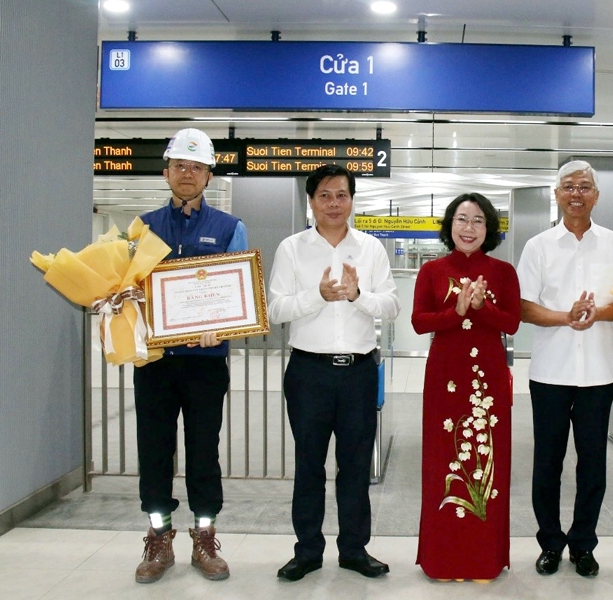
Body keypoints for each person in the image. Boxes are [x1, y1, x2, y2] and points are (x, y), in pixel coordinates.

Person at [268, 163, 400, 582]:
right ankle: (307, 551)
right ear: (311, 201)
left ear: (352, 200)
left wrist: (359, 296)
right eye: (324, 195)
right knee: (309, 464)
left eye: (341, 195)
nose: (333, 203)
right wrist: (317, 296)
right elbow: (275, 310)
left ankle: (354, 549)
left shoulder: (372, 249)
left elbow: (392, 306)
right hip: (309, 372)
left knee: (356, 466)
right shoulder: (292, 249)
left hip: (359, 373)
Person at [133, 128, 248, 584]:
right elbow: (129, 288)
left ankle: (205, 537)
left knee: (204, 450)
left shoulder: (228, 228)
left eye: (196, 167)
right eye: (180, 165)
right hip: (155, 363)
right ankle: (158, 539)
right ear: (166, 172)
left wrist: (223, 324)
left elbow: (241, 297)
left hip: (205, 363)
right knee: (154, 448)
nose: (187, 173)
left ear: (208, 175)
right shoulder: (142, 227)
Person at [516, 160, 613, 577]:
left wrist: (595, 313)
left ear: (596, 196)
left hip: (599, 374)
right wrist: (566, 317)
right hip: (549, 373)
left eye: (585, 186)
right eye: (569, 187)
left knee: (593, 464)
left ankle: (583, 544)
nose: (577, 193)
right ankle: (550, 542)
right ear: (557, 194)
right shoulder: (539, 246)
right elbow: (524, 307)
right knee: (547, 463)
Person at [412, 193, 521, 581]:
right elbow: (420, 322)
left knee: (488, 460)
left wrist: (480, 307)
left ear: (488, 228)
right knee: (444, 459)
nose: (469, 228)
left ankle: (482, 560)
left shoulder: (503, 271)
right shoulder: (432, 270)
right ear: (449, 225)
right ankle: (444, 560)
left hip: (487, 379)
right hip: (445, 376)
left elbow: (511, 323)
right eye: (462, 219)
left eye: (478, 220)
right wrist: (455, 311)